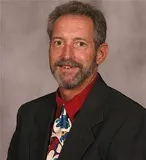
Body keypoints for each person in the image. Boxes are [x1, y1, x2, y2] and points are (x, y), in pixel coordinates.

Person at [7, 1, 145, 160]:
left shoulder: (130, 121)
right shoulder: (28, 115)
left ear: (100, 54)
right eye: (58, 42)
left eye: (80, 44)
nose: (66, 55)